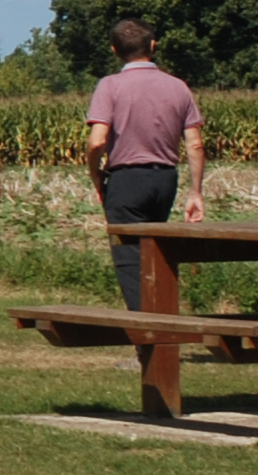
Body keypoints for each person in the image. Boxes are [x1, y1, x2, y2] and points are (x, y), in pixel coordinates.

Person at [87, 18, 209, 318]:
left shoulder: (110, 86)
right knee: (158, 257)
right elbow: (195, 144)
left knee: (130, 261)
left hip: (126, 180)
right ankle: (164, 325)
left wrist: (96, 175)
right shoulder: (177, 86)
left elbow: (96, 142)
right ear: (153, 46)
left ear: (115, 50)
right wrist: (195, 192)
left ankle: (150, 345)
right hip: (166, 179)